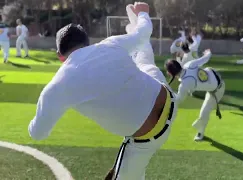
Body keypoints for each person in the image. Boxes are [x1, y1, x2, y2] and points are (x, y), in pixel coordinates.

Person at [28, 2, 178, 180]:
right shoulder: (110, 44)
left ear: (60, 56)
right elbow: (144, 33)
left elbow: (38, 133)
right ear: (87, 43)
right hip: (168, 97)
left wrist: (39, 114)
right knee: (143, 56)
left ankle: (134, 32)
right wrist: (143, 13)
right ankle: (133, 27)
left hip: (147, 139)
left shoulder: (57, 86)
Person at [165, 49, 225, 141]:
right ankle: (200, 131)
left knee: (204, 112)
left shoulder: (184, 84)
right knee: (203, 110)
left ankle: (200, 132)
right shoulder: (189, 65)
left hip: (218, 90)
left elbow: (179, 100)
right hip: (213, 74)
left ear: (170, 73)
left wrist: (167, 93)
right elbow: (205, 58)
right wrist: (208, 52)